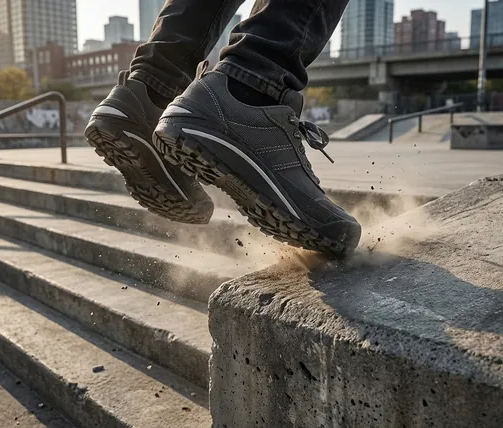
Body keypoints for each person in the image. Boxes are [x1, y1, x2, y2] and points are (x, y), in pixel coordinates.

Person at [84, 0, 361, 257]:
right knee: (257, 75)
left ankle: (150, 91)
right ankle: (253, 89)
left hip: (153, 85)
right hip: (251, 86)